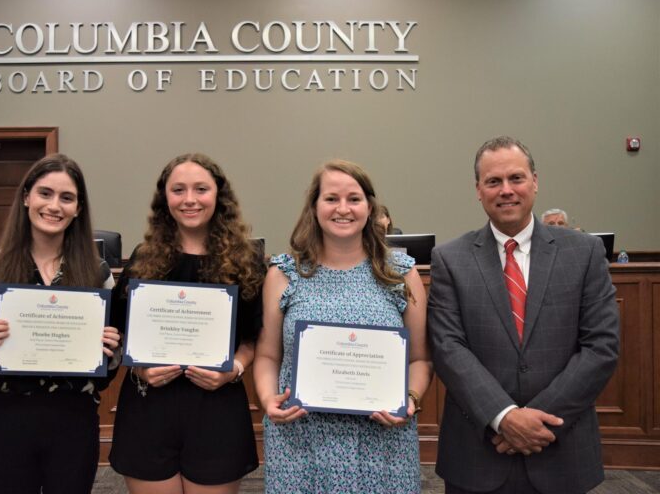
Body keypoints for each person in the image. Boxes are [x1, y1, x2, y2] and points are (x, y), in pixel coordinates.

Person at [427, 136, 619, 494]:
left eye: (516, 178)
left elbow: (601, 347)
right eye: (493, 181)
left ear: (535, 181)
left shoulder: (585, 253)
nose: (506, 190)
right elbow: (447, 347)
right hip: (477, 454)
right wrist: (504, 417)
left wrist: (534, 421)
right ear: (478, 190)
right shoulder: (450, 259)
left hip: (562, 450)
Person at [254, 160, 431, 493]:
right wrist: (267, 399)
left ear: (369, 207)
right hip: (301, 441)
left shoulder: (400, 274)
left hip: (383, 442)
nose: (343, 208)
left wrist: (410, 398)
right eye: (331, 198)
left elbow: (420, 359)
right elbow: (266, 355)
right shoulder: (284, 273)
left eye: (354, 198)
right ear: (314, 207)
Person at [0, 154, 121, 493]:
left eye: (67, 197)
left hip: (74, 421)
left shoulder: (97, 273)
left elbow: (108, 372)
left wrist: (110, 348)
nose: (54, 205)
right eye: (45, 193)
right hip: (6, 420)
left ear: (78, 208)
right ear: (26, 197)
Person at [109, 153, 264, 494]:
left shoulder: (247, 262)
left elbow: (255, 336)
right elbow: (117, 333)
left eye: (201, 189)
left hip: (217, 407)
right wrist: (139, 370)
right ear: (165, 198)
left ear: (218, 196)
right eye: (178, 190)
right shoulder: (142, 257)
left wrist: (234, 368)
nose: (189, 199)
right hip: (149, 407)